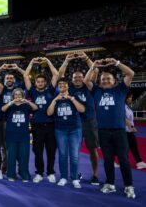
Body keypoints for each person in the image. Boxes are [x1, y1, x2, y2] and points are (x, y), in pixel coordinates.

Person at [84, 58, 136, 198]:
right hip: (103, 132)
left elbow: (131, 74)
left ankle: (129, 186)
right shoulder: (97, 91)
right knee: (107, 160)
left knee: (124, 160)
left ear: (114, 81)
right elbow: (87, 81)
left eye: (108, 79)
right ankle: (110, 184)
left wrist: (118, 63)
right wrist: (94, 66)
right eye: (103, 79)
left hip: (119, 132)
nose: (105, 81)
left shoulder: (120, 90)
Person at [58, 52, 100, 185]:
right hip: (73, 123)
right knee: (75, 151)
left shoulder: (89, 86)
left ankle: (95, 174)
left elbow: (96, 69)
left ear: (84, 78)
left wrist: (87, 58)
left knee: (92, 149)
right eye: (75, 77)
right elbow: (60, 76)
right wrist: (66, 61)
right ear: (72, 79)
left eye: (80, 77)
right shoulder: (69, 88)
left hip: (88, 121)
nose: (77, 79)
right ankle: (76, 173)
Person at [23, 57, 58, 184]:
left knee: (51, 151)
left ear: (45, 83)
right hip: (37, 126)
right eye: (38, 81)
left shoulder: (50, 90)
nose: (40, 83)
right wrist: (31, 62)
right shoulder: (32, 92)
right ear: (36, 83)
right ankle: (39, 172)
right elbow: (26, 76)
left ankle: (50, 172)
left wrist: (48, 61)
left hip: (50, 125)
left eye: (42, 81)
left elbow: (56, 75)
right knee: (37, 151)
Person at [47, 77, 85, 188]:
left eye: (64, 84)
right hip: (60, 130)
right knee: (63, 155)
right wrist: (55, 100)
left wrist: (71, 98)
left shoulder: (75, 95)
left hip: (74, 129)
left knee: (74, 156)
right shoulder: (54, 97)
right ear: (58, 87)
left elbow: (82, 109)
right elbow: (49, 113)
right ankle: (63, 177)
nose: (62, 86)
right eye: (60, 84)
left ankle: (75, 178)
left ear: (68, 86)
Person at [0, 63, 25, 174]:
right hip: (4, 121)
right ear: (4, 80)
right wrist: (1, 68)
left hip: (17, 120)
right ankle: (5, 165)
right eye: (7, 78)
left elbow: (26, 76)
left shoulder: (18, 89)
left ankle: (20, 167)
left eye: (11, 78)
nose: (9, 79)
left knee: (18, 144)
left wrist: (18, 68)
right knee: (4, 145)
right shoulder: (2, 89)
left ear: (14, 80)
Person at [2, 88, 38, 182]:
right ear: (13, 96)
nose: (18, 96)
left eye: (20, 95)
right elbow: (3, 109)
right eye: (16, 95)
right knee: (11, 156)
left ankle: (24, 174)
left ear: (23, 96)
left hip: (24, 134)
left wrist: (26, 101)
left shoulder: (26, 105)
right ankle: (11, 174)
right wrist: (11, 102)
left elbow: (35, 107)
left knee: (24, 156)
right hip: (11, 134)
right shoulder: (10, 105)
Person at [125, 93, 146, 169]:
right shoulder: (123, 107)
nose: (131, 99)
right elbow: (124, 119)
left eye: (131, 97)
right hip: (125, 131)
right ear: (126, 98)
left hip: (129, 131)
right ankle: (137, 162)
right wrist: (132, 127)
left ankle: (139, 162)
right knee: (127, 148)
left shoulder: (128, 107)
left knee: (133, 146)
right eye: (130, 97)